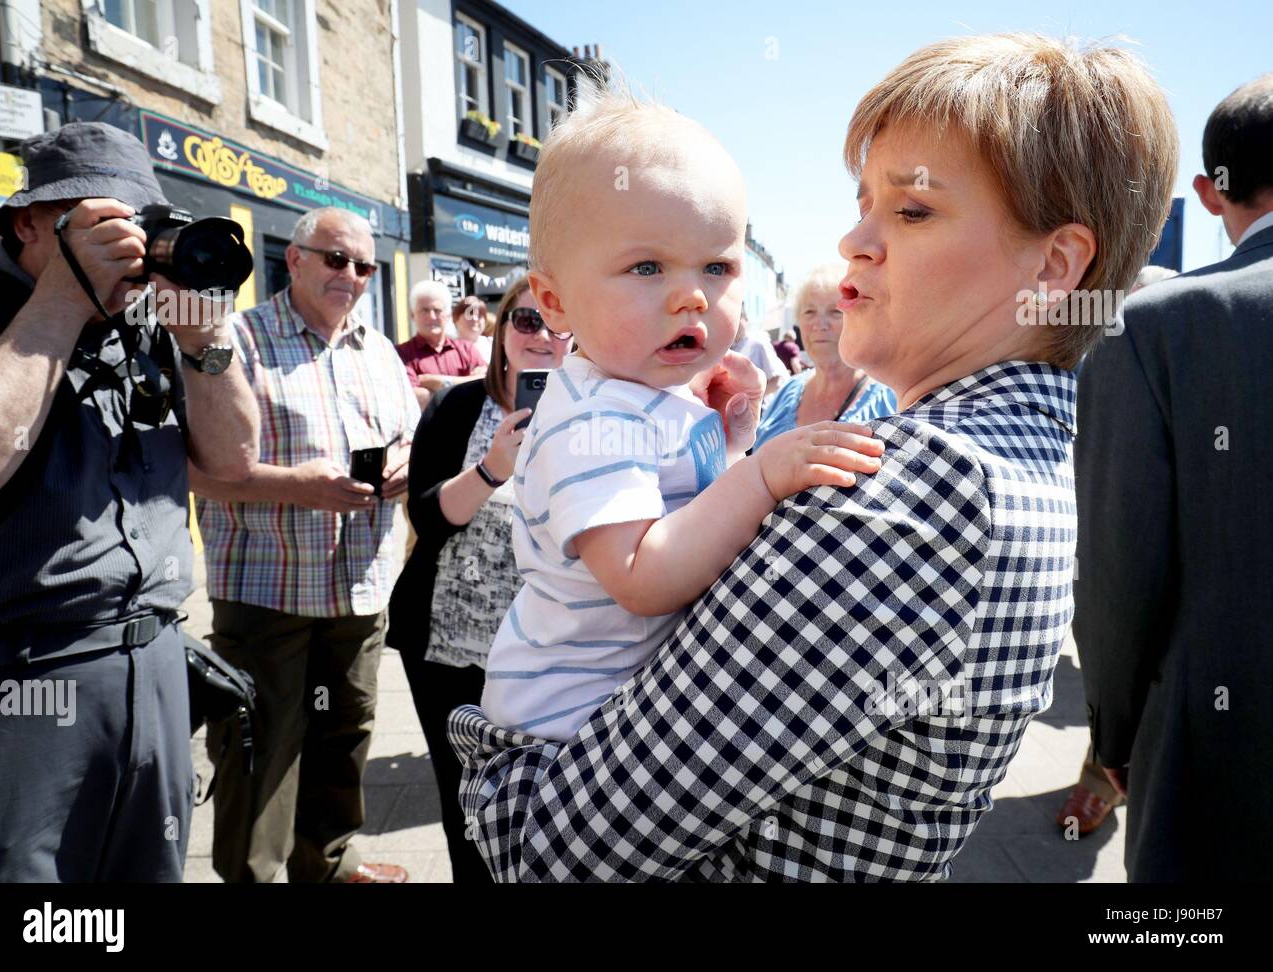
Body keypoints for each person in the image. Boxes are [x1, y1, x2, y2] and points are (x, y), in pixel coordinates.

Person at [447, 33, 1177, 882]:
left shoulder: (918, 493)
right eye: (863, 203)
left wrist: (490, 771)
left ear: (1054, 267)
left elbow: (554, 852)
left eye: (911, 210)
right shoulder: (1006, 460)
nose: (855, 241)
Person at [479, 87, 884, 745]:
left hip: (631, 707)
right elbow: (643, 573)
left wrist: (737, 434)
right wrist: (762, 477)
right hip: (566, 729)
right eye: (646, 266)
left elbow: (692, 512)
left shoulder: (645, 397)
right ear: (554, 302)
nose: (690, 294)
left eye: (718, 265)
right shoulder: (592, 419)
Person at [0, 121, 260, 882]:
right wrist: (63, 299)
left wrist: (206, 342)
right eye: (109, 222)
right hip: (25, 675)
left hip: (158, 661)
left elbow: (233, 463)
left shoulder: (149, 328)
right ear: (30, 223)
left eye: (146, 225)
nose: (135, 247)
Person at [1073, 72, 1273, 881]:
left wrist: (1113, 739)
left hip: (1213, 761)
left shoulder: (1154, 329)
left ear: (1209, 190)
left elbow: (1121, 570)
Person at [191, 207, 420, 884]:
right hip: (267, 589)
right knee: (260, 748)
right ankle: (254, 877)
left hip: (360, 586)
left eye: (364, 266)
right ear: (293, 260)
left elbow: (409, 436)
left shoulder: (377, 349)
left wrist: (407, 463)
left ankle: (330, 860)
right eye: (335, 259)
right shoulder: (234, 340)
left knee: (345, 734)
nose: (350, 275)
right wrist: (297, 486)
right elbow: (187, 467)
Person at [387, 275, 572, 883]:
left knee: (550, 812)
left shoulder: (599, 414)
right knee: (464, 807)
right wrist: (493, 467)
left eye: (559, 323)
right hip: (450, 649)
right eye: (527, 321)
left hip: (554, 654)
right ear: (501, 331)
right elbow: (427, 515)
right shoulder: (458, 405)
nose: (544, 336)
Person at [1055, 261, 1176, 838]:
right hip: (1086, 514)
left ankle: (1099, 782)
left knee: (1127, 657)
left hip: (1139, 526)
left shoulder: (1166, 316)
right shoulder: (1083, 327)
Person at [754, 263, 897, 450]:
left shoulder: (889, 400)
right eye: (809, 312)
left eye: (835, 311)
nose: (820, 325)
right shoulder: (787, 392)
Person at [396, 281, 486, 408]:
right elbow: (415, 399)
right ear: (412, 315)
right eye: (424, 310)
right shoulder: (401, 354)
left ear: (448, 315)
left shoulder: (467, 349)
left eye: (437, 310)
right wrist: (469, 385)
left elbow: (488, 385)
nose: (431, 316)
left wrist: (438, 382)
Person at [731, 307, 789, 397]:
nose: (734, 322)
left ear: (745, 319)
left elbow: (777, 382)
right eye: (731, 318)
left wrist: (749, 397)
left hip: (761, 407)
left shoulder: (758, 344)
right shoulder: (729, 350)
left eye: (738, 317)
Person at [451, 294, 492, 362]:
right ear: (456, 318)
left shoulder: (493, 345)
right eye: (469, 314)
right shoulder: (446, 348)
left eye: (479, 316)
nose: (475, 319)